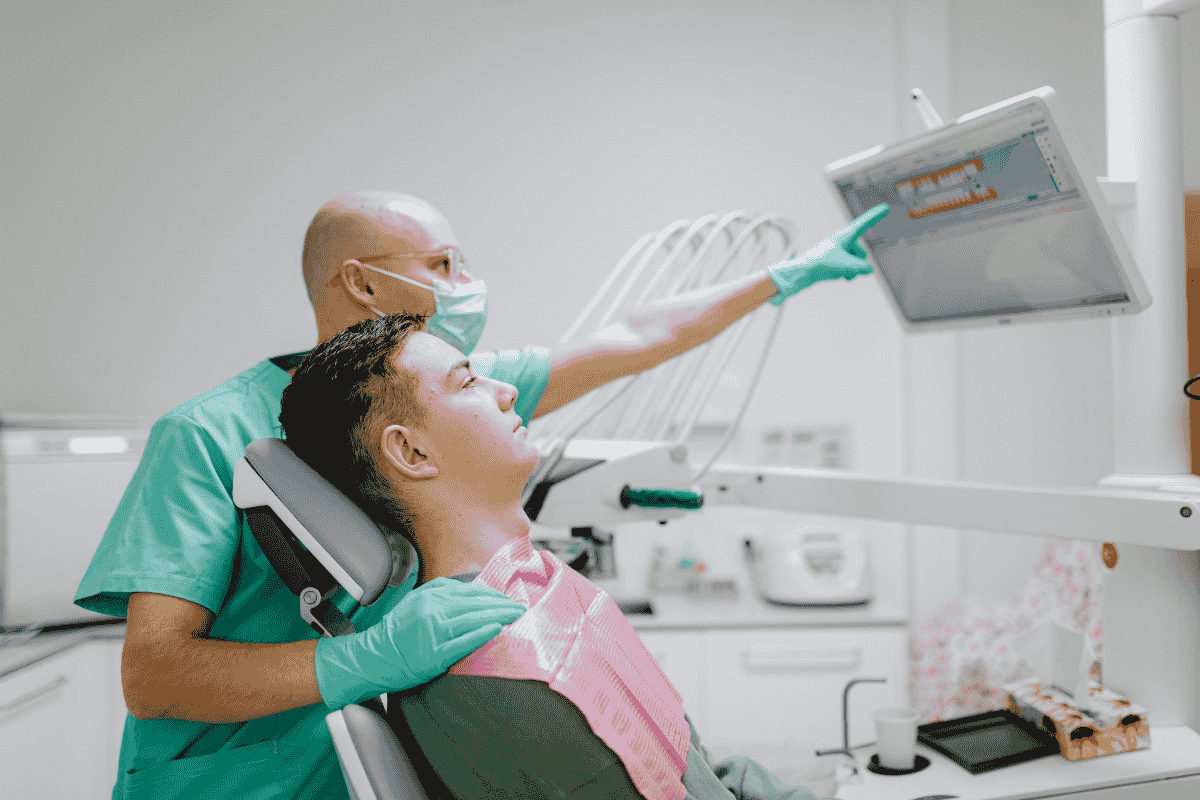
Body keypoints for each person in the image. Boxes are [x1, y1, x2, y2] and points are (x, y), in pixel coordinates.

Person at [76, 190, 885, 800]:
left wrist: (783, 278)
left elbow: (638, 337)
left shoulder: (444, 392)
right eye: (441, 266)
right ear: (359, 281)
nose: (465, 286)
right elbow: (154, 677)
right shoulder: (209, 434)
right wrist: (363, 657)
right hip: (238, 781)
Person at [279, 313, 832, 800]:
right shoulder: (496, 671)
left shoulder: (536, 586)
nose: (506, 392)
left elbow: (690, 766)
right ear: (411, 451)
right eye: (469, 381)